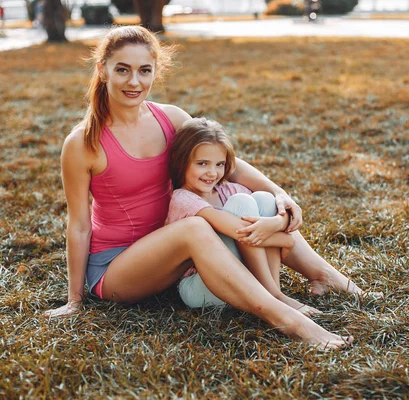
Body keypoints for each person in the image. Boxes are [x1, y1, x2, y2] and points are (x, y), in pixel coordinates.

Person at [44, 25, 378, 349]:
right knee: (195, 227)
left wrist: (280, 193)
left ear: (155, 71)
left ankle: (325, 275)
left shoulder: (170, 119)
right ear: (102, 70)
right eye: (123, 70)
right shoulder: (82, 143)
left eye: (144, 70)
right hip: (116, 269)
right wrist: (75, 300)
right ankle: (290, 320)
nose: (135, 81)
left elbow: (225, 164)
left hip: (171, 250)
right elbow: (79, 224)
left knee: (253, 198)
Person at [167, 117, 321, 317]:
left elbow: (263, 217)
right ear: (182, 162)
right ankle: (274, 296)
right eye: (202, 163)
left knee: (264, 198)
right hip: (202, 287)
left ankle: (273, 290)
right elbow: (242, 232)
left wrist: (278, 222)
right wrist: (285, 239)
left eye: (219, 164)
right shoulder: (183, 198)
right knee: (243, 202)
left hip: (240, 278)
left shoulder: (227, 189)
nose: (212, 173)